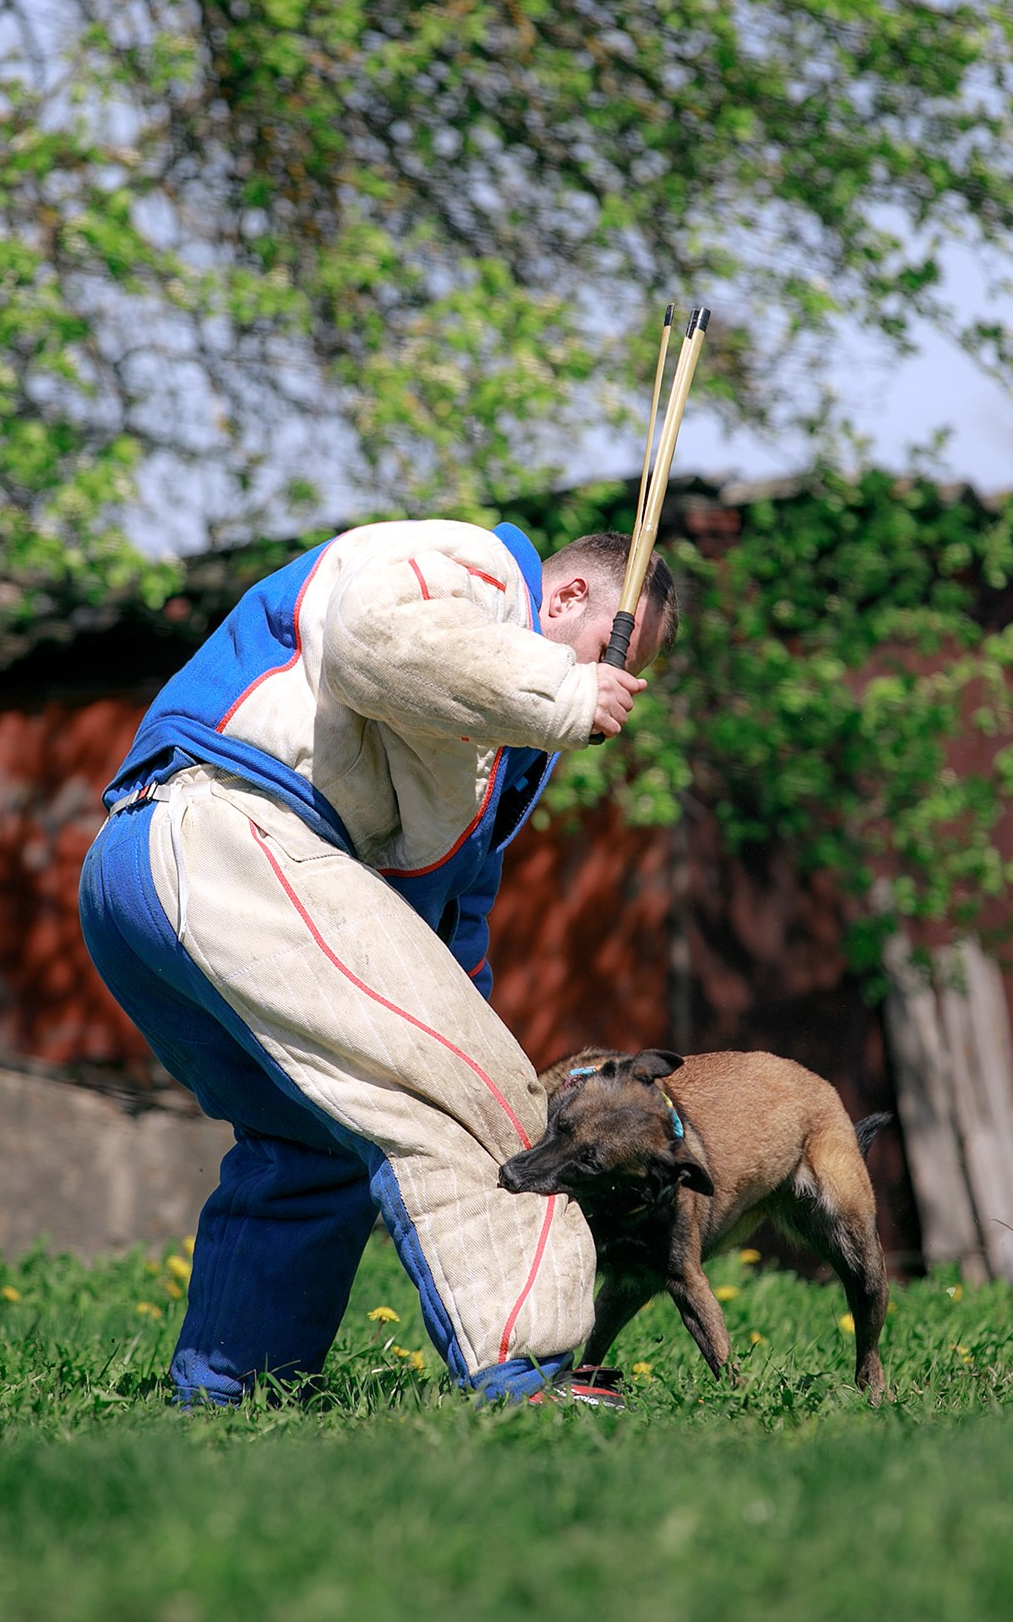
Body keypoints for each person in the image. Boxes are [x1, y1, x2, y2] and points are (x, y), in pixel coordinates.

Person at [79, 518, 676, 1404]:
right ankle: (528, 1376)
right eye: (609, 654)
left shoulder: (489, 749)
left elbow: (444, 924)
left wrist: (464, 1023)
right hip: (224, 832)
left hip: (152, 876)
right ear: (568, 597)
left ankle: (230, 1392)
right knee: (478, 1096)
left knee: (309, 1143)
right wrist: (562, 691)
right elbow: (374, 640)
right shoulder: (477, 570)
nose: (617, 688)